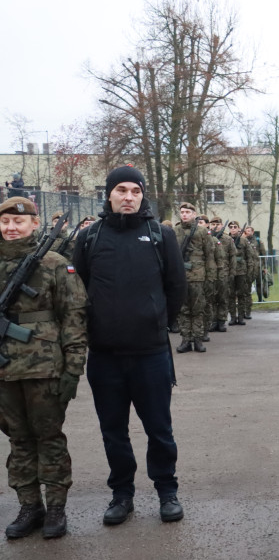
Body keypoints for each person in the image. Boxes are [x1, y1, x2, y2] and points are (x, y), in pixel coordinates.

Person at [72, 166, 187, 525]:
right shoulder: (89, 237)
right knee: (113, 432)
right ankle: (122, 495)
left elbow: (176, 287)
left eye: (135, 191)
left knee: (159, 429)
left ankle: (167, 491)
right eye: (121, 190)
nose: (128, 197)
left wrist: (157, 322)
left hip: (151, 355)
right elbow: (79, 291)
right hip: (105, 357)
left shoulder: (160, 235)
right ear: (108, 194)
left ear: (142, 195)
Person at [0, 197, 88, 539]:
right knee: (19, 440)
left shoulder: (54, 264)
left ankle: (55, 508)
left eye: (18, 222)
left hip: (45, 369)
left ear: (34, 224)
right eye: (5, 221)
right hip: (4, 372)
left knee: (49, 438)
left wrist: (73, 368)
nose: (11, 227)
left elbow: (74, 318)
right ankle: (29, 506)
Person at [173, 204, 215, 353]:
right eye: (182, 212)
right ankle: (186, 340)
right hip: (180, 277)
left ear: (194, 214)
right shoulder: (175, 231)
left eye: (187, 212)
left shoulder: (202, 231)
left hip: (198, 276)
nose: (184, 214)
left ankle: (198, 340)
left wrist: (210, 278)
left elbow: (209, 255)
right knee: (183, 310)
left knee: (198, 309)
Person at [226, 221, 256, 326]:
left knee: (241, 295)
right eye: (231, 227)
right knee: (230, 295)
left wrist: (250, 272)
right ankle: (233, 317)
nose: (233, 229)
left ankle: (241, 317)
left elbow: (250, 257)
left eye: (235, 227)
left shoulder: (244, 241)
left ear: (239, 228)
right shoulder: (226, 240)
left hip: (242, 271)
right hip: (230, 271)